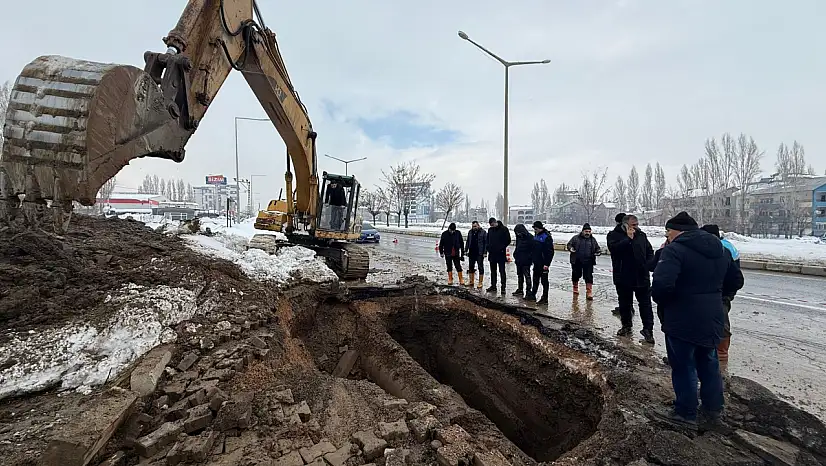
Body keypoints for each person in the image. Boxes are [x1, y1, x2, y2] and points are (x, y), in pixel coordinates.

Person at [651, 212, 744, 427]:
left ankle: (685, 413)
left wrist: (667, 304)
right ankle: (713, 410)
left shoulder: (674, 250)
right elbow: (736, 280)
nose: (667, 235)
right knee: (709, 363)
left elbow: (662, 286)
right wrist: (718, 297)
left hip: (682, 318)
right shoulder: (720, 250)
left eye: (668, 231)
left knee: (684, 366)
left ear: (677, 231)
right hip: (712, 317)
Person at [607, 214, 656, 343]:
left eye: (637, 224)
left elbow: (649, 251)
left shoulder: (641, 235)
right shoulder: (614, 235)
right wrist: (628, 239)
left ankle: (648, 330)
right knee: (625, 304)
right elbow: (614, 250)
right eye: (633, 225)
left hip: (641, 276)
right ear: (625, 225)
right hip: (623, 276)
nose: (636, 227)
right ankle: (626, 326)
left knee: (645, 305)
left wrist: (648, 264)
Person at [700, 224, 742, 371]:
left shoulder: (722, 249)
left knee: (721, 323)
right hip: (722, 292)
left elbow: (735, 277)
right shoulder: (726, 245)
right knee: (718, 322)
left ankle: (721, 358)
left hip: (720, 293)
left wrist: (726, 295)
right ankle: (717, 355)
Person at [567, 223, 601, 300]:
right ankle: (575, 288)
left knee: (588, 276)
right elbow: (569, 245)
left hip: (589, 261)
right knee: (576, 275)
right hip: (577, 261)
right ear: (582, 231)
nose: (587, 233)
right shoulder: (576, 238)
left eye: (589, 231)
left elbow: (597, 248)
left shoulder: (593, 240)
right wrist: (571, 248)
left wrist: (598, 252)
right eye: (586, 231)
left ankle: (589, 292)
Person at [528, 221, 555, 304]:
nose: (535, 231)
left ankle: (545, 298)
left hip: (543, 263)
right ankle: (533, 295)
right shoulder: (536, 236)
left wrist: (547, 264)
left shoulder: (546, 237)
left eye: (536, 229)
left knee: (544, 281)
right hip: (536, 262)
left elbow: (550, 252)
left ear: (540, 228)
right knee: (535, 279)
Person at [486, 218, 511, 294]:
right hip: (492, 254)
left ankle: (503, 287)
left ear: (495, 222)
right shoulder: (490, 230)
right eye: (491, 225)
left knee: (502, 271)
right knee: (493, 271)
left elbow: (508, 240)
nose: (492, 226)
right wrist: (488, 248)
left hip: (501, 254)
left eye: (493, 224)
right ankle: (493, 286)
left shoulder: (504, 229)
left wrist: (502, 247)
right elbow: (488, 240)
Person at [609, 213, 627, 316]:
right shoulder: (634, 233)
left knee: (621, 289)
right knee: (624, 289)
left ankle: (624, 309)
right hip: (623, 266)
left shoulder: (613, 234)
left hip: (619, 266)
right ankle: (626, 307)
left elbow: (614, 249)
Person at [512, 224, 534, 298]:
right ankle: (520, 289)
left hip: (526, 260)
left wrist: (529, 258)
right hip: (519, 260)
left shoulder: (530, 237)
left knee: (527, 276)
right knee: (519, 275)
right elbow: (517, 247)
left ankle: (528, 291)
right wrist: (515, 255)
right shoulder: (519, 237)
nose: (518, 234)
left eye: (518, 232)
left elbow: (532, 249)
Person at [465, 221, 487, 288]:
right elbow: (468, 241)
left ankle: (480, 282)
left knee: (480, 267)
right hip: (471, 252)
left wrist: (485, 252)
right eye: (473, 226)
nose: (474, 227)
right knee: (471, 267)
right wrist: (465, 250)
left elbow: (486, 243)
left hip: (479, 253)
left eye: (475, 226)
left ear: (478, 225)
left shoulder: (483, 232)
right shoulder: (470, 232)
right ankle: (471, 281)